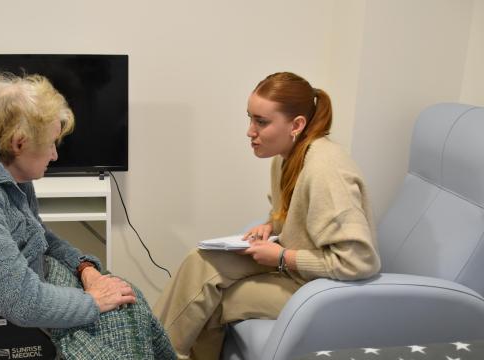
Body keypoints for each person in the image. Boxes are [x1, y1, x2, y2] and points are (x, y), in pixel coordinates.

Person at [0, 73, 175, 359]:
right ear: (19, 143)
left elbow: (37, 233)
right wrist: (92, 302)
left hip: (21, 283)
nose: (55, 155)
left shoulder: (2, 164)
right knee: (118, 324)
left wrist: (85, 268)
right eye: (51, 144)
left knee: (128, 300)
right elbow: (20, 302)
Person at [153, 72, 381, 359]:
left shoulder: (326, 170)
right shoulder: (286, 158)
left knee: (212, 302)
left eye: (261, 122)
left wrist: (283, 257)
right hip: (294, 269)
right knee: (200, 260)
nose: (250, 131)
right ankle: (151, 348)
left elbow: (360, 260)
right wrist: (270, 225)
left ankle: (156, 353)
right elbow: (296, 216)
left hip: (320, 288)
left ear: (297, 125)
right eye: (250, 118)